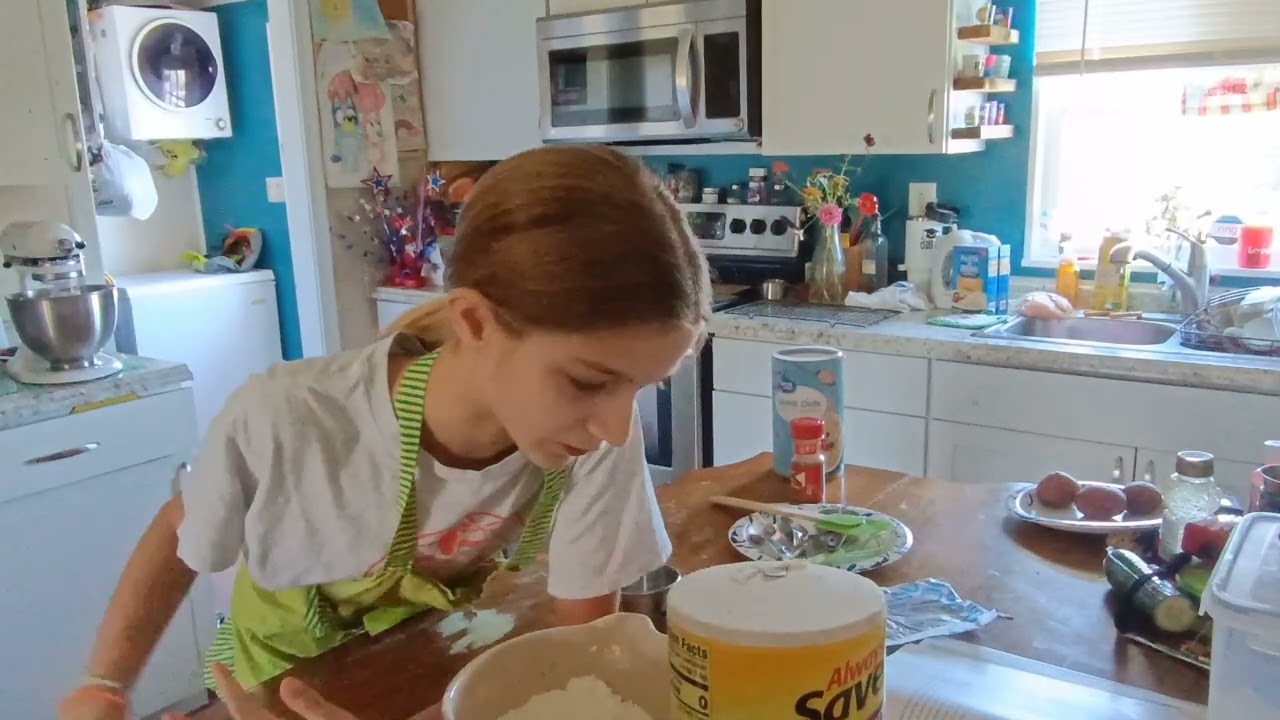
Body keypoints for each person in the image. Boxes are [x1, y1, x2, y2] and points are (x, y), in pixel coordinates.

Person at [59, 144, 711, 720]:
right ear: (476, 322)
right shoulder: (295, 418)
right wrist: (104, 687)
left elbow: (584, 647)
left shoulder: (593, 438)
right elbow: (182, 530)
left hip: (432, 650)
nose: (616, 426)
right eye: (588, 382)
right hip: (280, 685)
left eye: (639, 387)